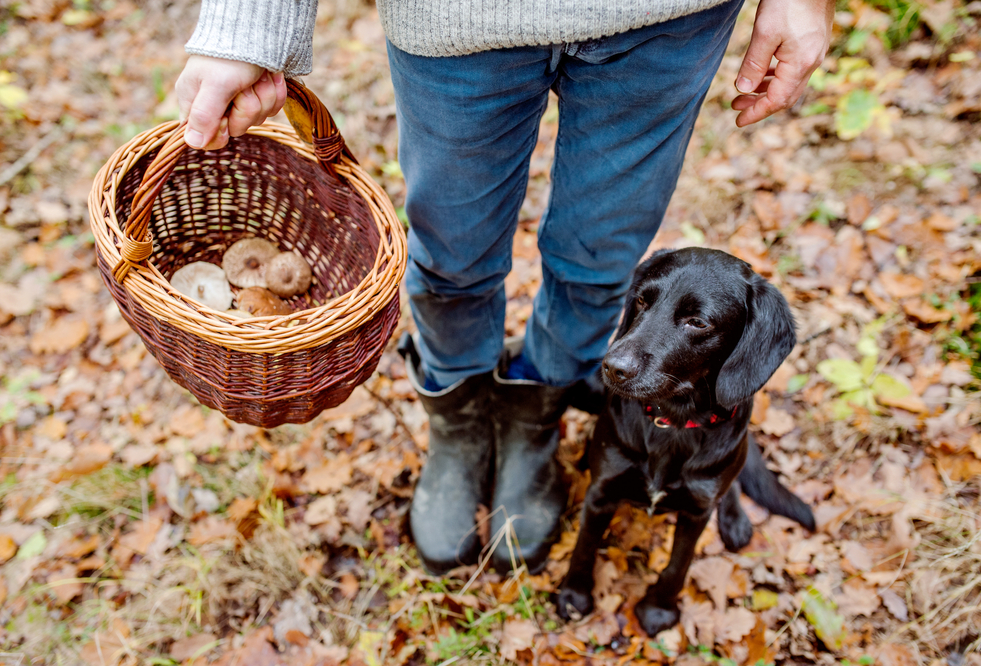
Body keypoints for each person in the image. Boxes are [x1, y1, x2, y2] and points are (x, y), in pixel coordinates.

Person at [176, 0, 834, 576]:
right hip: (454, 19)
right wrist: (248, 27)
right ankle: (459, 424)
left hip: (664, 22)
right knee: (453, 260)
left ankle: (535, 420)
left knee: (599, 265)